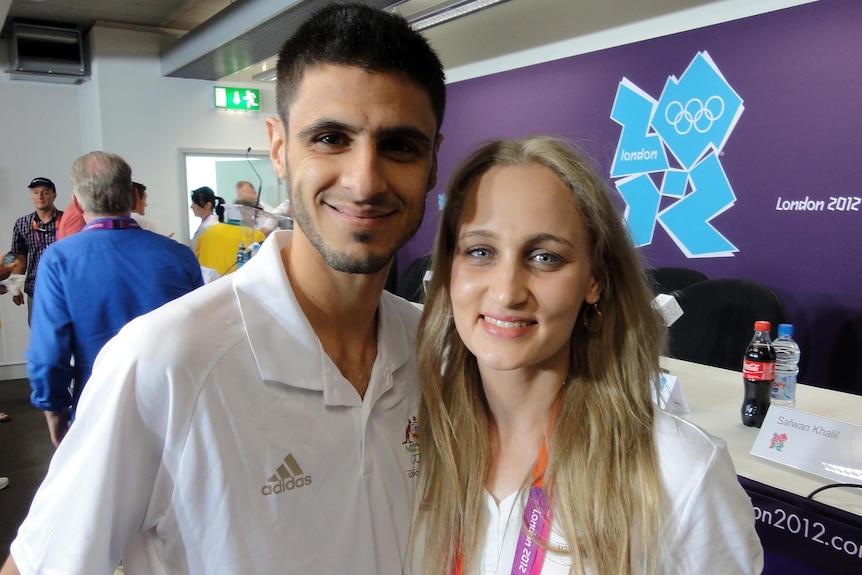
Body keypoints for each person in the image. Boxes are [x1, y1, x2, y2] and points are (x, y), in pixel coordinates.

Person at [2, 3, 445, 574]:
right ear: (279, 149)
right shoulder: (163, 361)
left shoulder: (432, 348)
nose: (364, 180)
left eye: (401, 145)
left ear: (433, 163)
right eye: (331, 137)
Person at [411, 137, 763, 575]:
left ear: (593, 281)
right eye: (480, 251)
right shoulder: (411, 443)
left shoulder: (678, 471)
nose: (505, 291)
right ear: (447, 270)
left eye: (545, 257)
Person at [25, 151, 204, 447]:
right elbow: (203, 336)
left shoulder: (59, 260)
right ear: (133, 196)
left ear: (78, 202)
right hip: (175, 408)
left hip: (99, 407)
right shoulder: (179, 255)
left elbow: (48, 354)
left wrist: (55, 411)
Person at [8, 177, 63, 323]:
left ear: (54, 195)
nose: (40, 196)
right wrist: (15, 288)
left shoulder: (66, 220)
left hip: (63, 287)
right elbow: (17, 257)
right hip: (35, 288)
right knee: (38, 330)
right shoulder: (22, 224)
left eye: (45, 192)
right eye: (35, 192)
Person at [189, 185, 224, 251]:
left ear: (208, 205)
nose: (191, 206)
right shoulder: (207, 224)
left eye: (195, 203)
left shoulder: (210, 226)